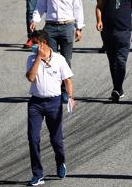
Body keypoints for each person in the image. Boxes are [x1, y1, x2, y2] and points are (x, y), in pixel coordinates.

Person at [25, 29, 75, 186]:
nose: (32, 46)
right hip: (36, 104)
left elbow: (67, 80)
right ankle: (37, 174)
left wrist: (70, 96)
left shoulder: (59, 59)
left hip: (54, 103)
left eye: (34, 43)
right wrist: (38, 59)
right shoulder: (31, 59)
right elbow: (31, 77)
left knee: (56, 139)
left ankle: (61, 162)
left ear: (43, 43)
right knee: (33, 138)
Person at [30, 0, 84, 101]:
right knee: (50, 58)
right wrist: (35, 19)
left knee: (65, 60)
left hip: (67, 26)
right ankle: (53, 90)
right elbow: (40, 4)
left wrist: (79, 27)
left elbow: (77, 8)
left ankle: (65, 91)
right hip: (51, 27)